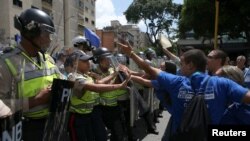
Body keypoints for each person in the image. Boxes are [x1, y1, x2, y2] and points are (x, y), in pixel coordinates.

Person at [118, 42, 250, 140]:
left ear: (191, 65)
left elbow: (151, 71)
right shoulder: (222, 84)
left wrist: (131, 54)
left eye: (181, 64)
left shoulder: (176, 82)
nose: (179, 68)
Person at [0, 8, 62, 141]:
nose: (50, 40)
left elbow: (62, 85)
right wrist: (35, 101)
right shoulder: (6, 63)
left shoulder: (49, 59)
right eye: (46, 34)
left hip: (54, 123)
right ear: (32, 31)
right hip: (26, 130)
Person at [67, 50, 130, 141]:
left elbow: (100, 82)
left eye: (89, 61)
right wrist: (119, 85)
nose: (88, 63)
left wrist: (115, 74)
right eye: (85, 61)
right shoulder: (74, 77)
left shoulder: (87, 76)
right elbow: (96, 88)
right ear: (75, 63)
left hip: (89, 114)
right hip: (78, 117)